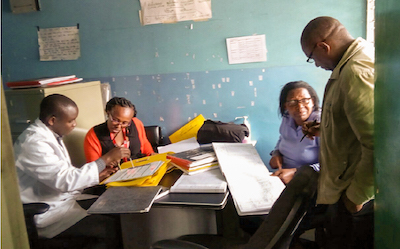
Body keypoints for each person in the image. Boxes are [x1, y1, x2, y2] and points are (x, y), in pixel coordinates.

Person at [14, 94, 130, 247]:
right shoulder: (33, 143)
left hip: (63, 200)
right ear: (52, 120)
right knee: (109, 228)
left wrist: (98, 174)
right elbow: (65, 180)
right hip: (46, 213)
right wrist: (105, 159)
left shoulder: (51, 135)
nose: (75, 124)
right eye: (71, 120)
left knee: (115, 211)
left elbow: (64, 174)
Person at [301, 16, 374, 249]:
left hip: (354, 195)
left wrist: (356, 197)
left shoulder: (355, 72)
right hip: (343, 189)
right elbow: (352, 125)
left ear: (324, 47)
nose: (316, 64)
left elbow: (378, 143)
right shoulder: (347, 66)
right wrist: (324, 128)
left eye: (312, 58)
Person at [270, 80, 321, 184]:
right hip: (284, 176)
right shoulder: (288, 118)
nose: (299, 107)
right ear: (285, 105)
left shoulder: (321, 124)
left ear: (313, 101)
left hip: (311, 180)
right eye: (293, 102)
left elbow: (333, 164)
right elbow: (282, 138)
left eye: (305, 100)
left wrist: (295, 173)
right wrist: (276, 153)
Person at [84, 97, 154, 166]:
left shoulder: (136, 123)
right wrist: (108, 159)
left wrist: (152, 155)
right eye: (115, 120)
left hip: (140, 169)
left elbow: (145, 145)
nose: (119, 126)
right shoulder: (94, 135)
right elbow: (93, 170)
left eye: (125, 123)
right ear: (108, 113)